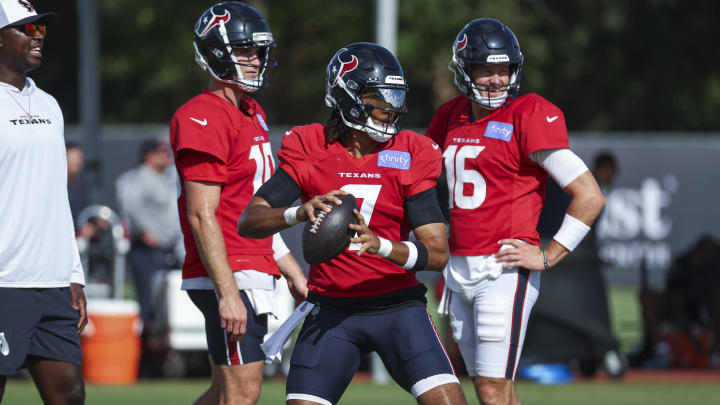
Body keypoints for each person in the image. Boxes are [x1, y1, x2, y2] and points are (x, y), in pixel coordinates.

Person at [238, 42, 467, 405]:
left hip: (399, 308)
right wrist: (297, 212)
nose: (391, 108)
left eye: (395, 97)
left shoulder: (412, 151)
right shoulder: (310, 146)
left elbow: (438, 254)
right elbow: (249, 220)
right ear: (347, 97)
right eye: (380, 97)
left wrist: (381, 245)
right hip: (330, 312)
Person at [427, 19, 605, 405]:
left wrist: (548, 254)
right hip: (458, 269)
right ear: (464, 69)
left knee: (493, 391)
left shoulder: (529, 113)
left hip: (502, 269)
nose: (495, 79)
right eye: (485, 69)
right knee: (494, 392)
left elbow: (589, 196)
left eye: (503, 69)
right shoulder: (450, 115)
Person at [169, 3, 307, 404]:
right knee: (241, 395)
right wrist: (227, 291)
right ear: (215, 54)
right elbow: (201, 213)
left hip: (250, 265)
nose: (255, 59)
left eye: (258, 51)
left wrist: (291, 269)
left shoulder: (251, 110)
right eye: (245, 50)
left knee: (222, 393)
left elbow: (254, 209)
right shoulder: (201, 115)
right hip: (230, 271)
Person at [0, 1, 87, 404]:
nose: (37, 35)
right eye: (25, 28)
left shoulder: (50, 105)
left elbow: (56, 196)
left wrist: (73, 272)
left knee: (69, 395)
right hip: (4, 282)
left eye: (41, 29)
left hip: (51, 284)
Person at [117, 139, 182, 377]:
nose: (166, 156)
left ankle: (156, 361)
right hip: (147, 250)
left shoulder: (165, 179)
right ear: (148, 156)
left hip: (165, 249)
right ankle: (143, 363)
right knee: (148, 304)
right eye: (161, 152)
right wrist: (144, 231)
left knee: (163, 306)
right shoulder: (142, 178)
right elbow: (131, 206)